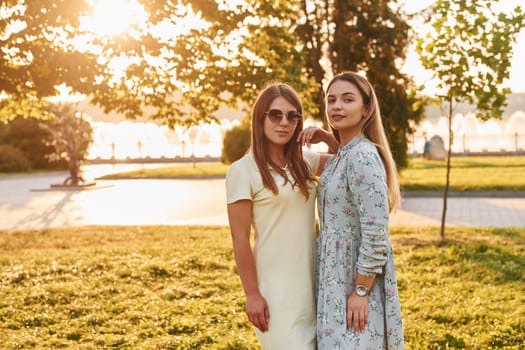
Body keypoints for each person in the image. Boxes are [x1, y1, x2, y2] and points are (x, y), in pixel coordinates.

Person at [225, 81, 336, 349]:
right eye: (275, 115)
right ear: (260, 118)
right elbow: (240, 239)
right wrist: (252, 294)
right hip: (275, 294)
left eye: (292, 116)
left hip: (313, 288)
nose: (284, 122)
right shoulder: (243, 171)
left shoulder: (305, 162)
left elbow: (355, 161)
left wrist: (328, 137)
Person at [302, 71, 404, 349]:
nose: (337, 106)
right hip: (335, 277)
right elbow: (342, 168)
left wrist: (361, 291)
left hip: (355, 279)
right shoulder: (346, 154)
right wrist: (328, 138)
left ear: (366, 108)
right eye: (331, 100)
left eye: (348, 99)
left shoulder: (363, 156)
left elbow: (375, 233)